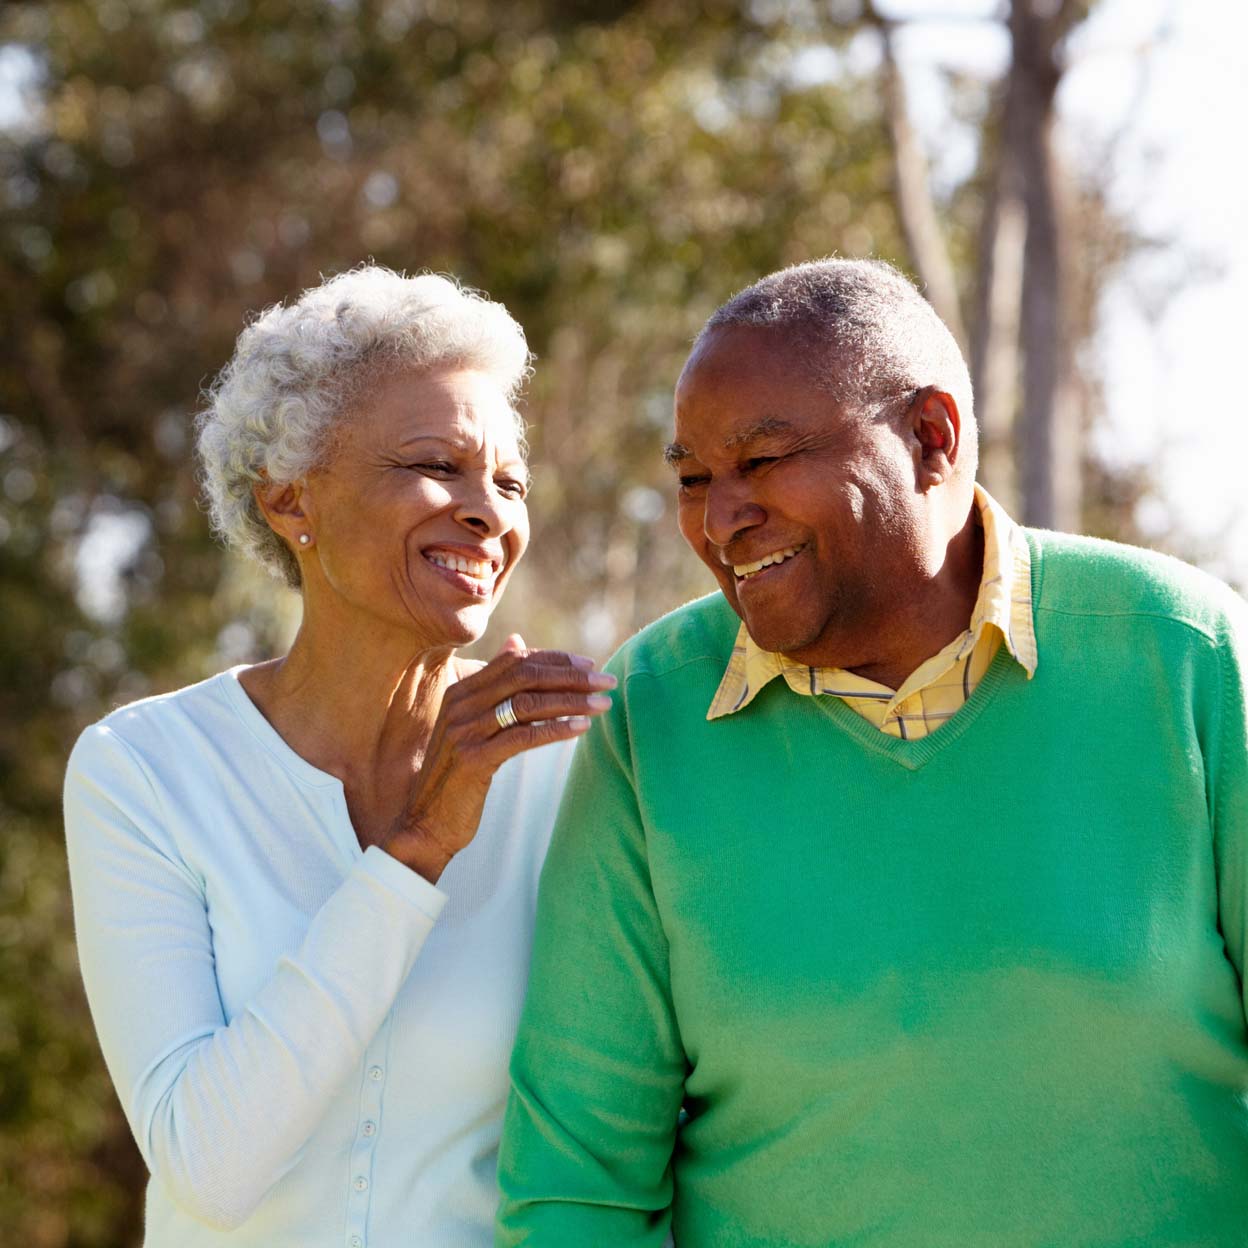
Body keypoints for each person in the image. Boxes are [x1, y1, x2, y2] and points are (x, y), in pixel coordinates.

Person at [496, 257, 1248, 1246]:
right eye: (692, 480)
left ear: (931, 438)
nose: (721, 519)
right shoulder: (649, 718)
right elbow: (576, 1183)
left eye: (762, 462)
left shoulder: (1185, 654)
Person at [62, 265, 615, 1247]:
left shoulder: (567, 768)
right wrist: (414, 854)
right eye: (432, 465)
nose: (489, 513)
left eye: (509, 480)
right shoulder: (144, 770)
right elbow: (207, 1167)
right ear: (290, 502)